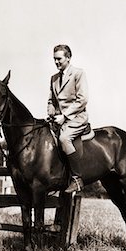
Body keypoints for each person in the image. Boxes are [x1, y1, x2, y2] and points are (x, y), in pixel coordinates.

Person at [47, 44, 89, 193]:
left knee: (64, 138)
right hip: (59, 118)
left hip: (77, 117)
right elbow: (51, 100)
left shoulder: (78, 73)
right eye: (54, 59)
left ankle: (77, 179)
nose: (56, 62)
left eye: (59, 59)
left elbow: (82, 99)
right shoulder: (53, 78)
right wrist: (51, 112)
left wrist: (64, 116)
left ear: (68, 58)